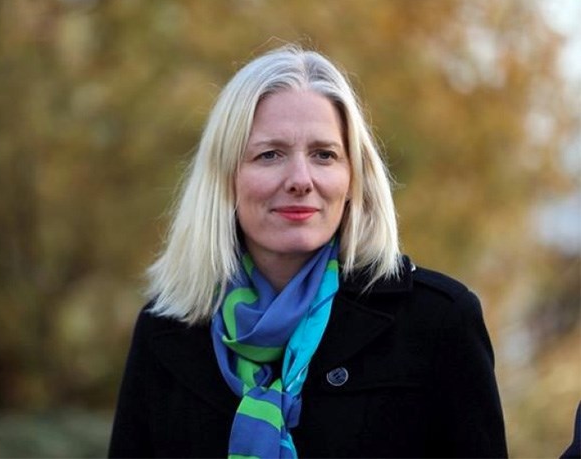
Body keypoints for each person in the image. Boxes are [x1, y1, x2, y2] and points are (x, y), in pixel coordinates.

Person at [108, 44, 508, 458]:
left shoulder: (438, 322)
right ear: (225, 179)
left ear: (353, 177)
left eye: (324, 155)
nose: (300, 179)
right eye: (270, 155)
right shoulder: (168, 328)